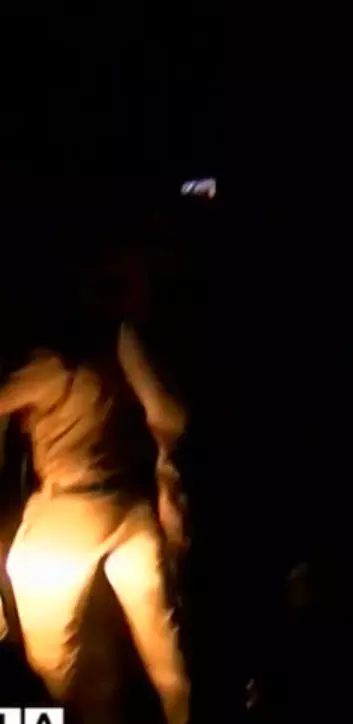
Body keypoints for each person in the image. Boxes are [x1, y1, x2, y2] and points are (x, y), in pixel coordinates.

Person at [0, 286, 190, 724]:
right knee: (166, 651)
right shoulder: (123, 346)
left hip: (70, 511)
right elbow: (170, 415)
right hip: (130, 507)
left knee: (50, 666)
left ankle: (51, 715)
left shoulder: (50, 364)